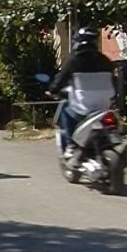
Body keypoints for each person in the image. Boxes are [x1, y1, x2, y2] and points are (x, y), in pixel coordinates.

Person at [49, 27, 115, 159]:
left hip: (84, 107)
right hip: (104, 107)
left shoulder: (73, 60)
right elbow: (113, 81)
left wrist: (52, 90)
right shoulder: (105, 60)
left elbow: (59, 82)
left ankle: (71, 145)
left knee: (65, 109)